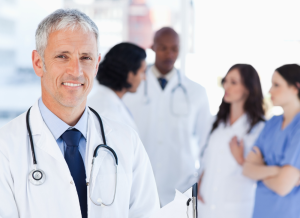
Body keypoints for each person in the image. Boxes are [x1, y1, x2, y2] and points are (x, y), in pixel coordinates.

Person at [0, 9, 159, 218]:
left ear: (96, 65)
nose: (76, 70)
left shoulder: (127, 142)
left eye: (85, 57)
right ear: (39, 63)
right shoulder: (6, 147)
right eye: (62, 56)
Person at [123, 27, 211, 207]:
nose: (169, 54)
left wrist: (202, 180)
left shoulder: (196, 92)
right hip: (137, 183)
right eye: (163, 48)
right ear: (153, 47)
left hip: (181, 186)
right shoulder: (131, 88)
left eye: (174, 48)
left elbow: (205, 142)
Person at [197, 64, 265, 218]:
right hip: (205, 203)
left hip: (237, 208)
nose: (226, 86)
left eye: (233, 82)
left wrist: (240, 159)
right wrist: (199, 181)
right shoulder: (214, 122)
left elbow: (262, 172)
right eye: (225, 81)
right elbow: (204, 159)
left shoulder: (260, 129)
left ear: (248, 88)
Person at [243, 64, 300, 218]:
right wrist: (277, 171)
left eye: (276, 85)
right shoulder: (272, 123)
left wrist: (260, 168)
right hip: (261, 211)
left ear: (296, 87)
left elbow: (283, 186)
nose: (269, 91)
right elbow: (247, 169)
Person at [88, 42, 146, 133]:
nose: (144, 78)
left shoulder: (108, 100)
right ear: (129, 75)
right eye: (142, 72)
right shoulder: (107, 112)